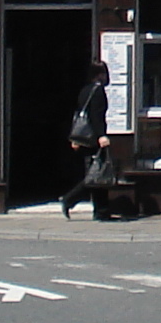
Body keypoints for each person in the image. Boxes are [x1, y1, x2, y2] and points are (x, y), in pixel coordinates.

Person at [59, 62, 116, 221]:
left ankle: (101, 211)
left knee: (97, 173)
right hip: (94, 140)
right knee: (97, 174)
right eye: (104, 73)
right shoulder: (97, 91)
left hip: (85, 138)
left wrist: (75, 138)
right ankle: (70, 199)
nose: (106, 77)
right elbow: (96, 116)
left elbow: (80, 114)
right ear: (99, 74)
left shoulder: (84, 90)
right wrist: (101, 136)